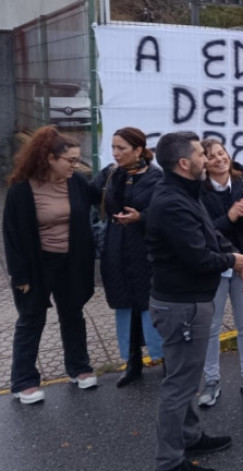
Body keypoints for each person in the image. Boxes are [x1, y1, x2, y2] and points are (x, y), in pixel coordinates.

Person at [145, 131, 243, 471]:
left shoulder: (185, 194)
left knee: (184, 378)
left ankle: (190, 436)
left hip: (189, 301)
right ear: (183, 163)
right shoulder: (171, 202)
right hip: (182, 306)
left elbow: (211, 234)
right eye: (199, 154)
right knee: (179, 385)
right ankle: (169, 461)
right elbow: (198, 257)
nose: (206, 159)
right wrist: (233, 262)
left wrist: (236, 259)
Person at [4, 126, 98, 404]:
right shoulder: (21, 189)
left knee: (73, 314)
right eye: (70, 160)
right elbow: (12, 235)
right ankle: (23, 381)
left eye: (78, 160)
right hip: (37, 265)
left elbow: (103, 196)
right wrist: (19, 274)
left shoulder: (77, 183)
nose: (76, 165)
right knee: (31, 319)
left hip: (72, 262)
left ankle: (79, 368)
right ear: (49, 158)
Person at [93, 127, 165, 388]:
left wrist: (141, 217)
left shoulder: (157, 178)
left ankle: (166, 360)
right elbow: (89, 193)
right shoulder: (111, 175)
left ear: (138, 150)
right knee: (126, 306)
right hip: (117, 249)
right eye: (113, 147)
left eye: (121, 148)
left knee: (152, 305)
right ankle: (133, 362)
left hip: (145, 249)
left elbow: (165, 212)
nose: (115, 153)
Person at [198, 139, 243, 405]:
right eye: (211, 156)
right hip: (216, 268)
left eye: (221, 153)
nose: (218, 159)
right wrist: (230, 217)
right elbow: (204, 232)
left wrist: (242, 214)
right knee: (211, 327)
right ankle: (211, 381)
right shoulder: (199, 192)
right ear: (203, 162)